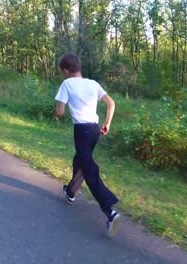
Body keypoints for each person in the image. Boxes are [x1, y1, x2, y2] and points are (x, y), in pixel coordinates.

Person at [54, 53, 121, 238]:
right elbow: (111, 103)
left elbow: (60, 112)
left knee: (89, 169)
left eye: (62, 72)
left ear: (66, 70)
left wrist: (57, 114)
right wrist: (107, 123)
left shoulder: (67, 84)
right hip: (94, 131)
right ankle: (71, 191)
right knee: (81, 160)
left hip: (81, 131)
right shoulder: (93, 84)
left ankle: (110, 212)